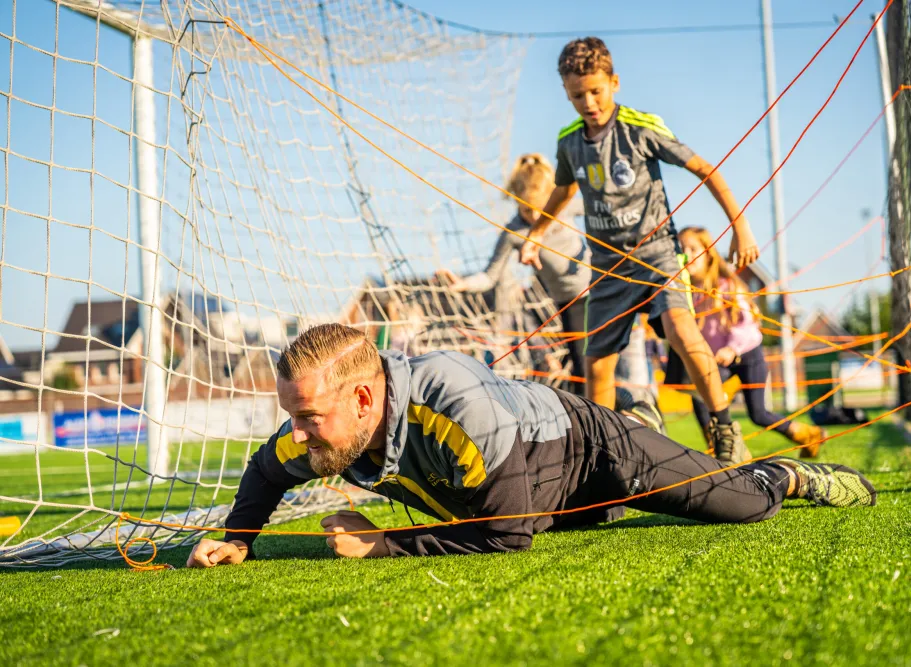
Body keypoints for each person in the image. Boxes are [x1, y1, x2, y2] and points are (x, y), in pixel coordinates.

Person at [186, 323, 875, 566]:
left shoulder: (452, 404)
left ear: (364, 399)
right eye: (292, 417)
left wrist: (383, 544)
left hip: (595, 451)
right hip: (544, 497)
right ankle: (645, 418)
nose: (295, 434)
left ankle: (785, 473)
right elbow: (264, 468)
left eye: (306, 417)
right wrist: (239, 534)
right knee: (594, 522)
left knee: (742, 507)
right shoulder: (321, 427)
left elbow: (509, 537)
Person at [519, 37, 761, 465]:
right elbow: (563, 189)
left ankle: (725, 429)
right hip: (609, 268)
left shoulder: (641, 127)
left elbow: (705, 169)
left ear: (614, 83)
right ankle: (600, 456)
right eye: (578, 95)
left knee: (684, 332)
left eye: (596, 91)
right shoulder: (570, 141)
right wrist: (537, 232)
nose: (589, 102)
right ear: (566, 93)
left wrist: (740, 228)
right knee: (597, 366)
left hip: (659, 257)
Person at [436, 153, 663, 432]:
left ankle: (638, 410)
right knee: (584, 375)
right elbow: (490, 275)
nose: (533, 216)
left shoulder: (563, 208)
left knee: (615, 362)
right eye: (526, 209)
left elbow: (603, 206)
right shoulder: (514, 232)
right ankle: (624, 416)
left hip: (600, 289)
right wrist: (463, 283)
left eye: (538, 209)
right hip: (569, 305)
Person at [678, 226, 825, 457]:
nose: (687, 254)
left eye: (693, 248)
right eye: (682, 249)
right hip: (720, 360)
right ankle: (717, 447)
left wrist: (731, 347)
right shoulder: (688, 293)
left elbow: (746, 323)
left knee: (758, 414)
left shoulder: (727, 286)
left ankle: (807, 434)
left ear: (707, 253)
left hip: (747, 354)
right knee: (700, 395)